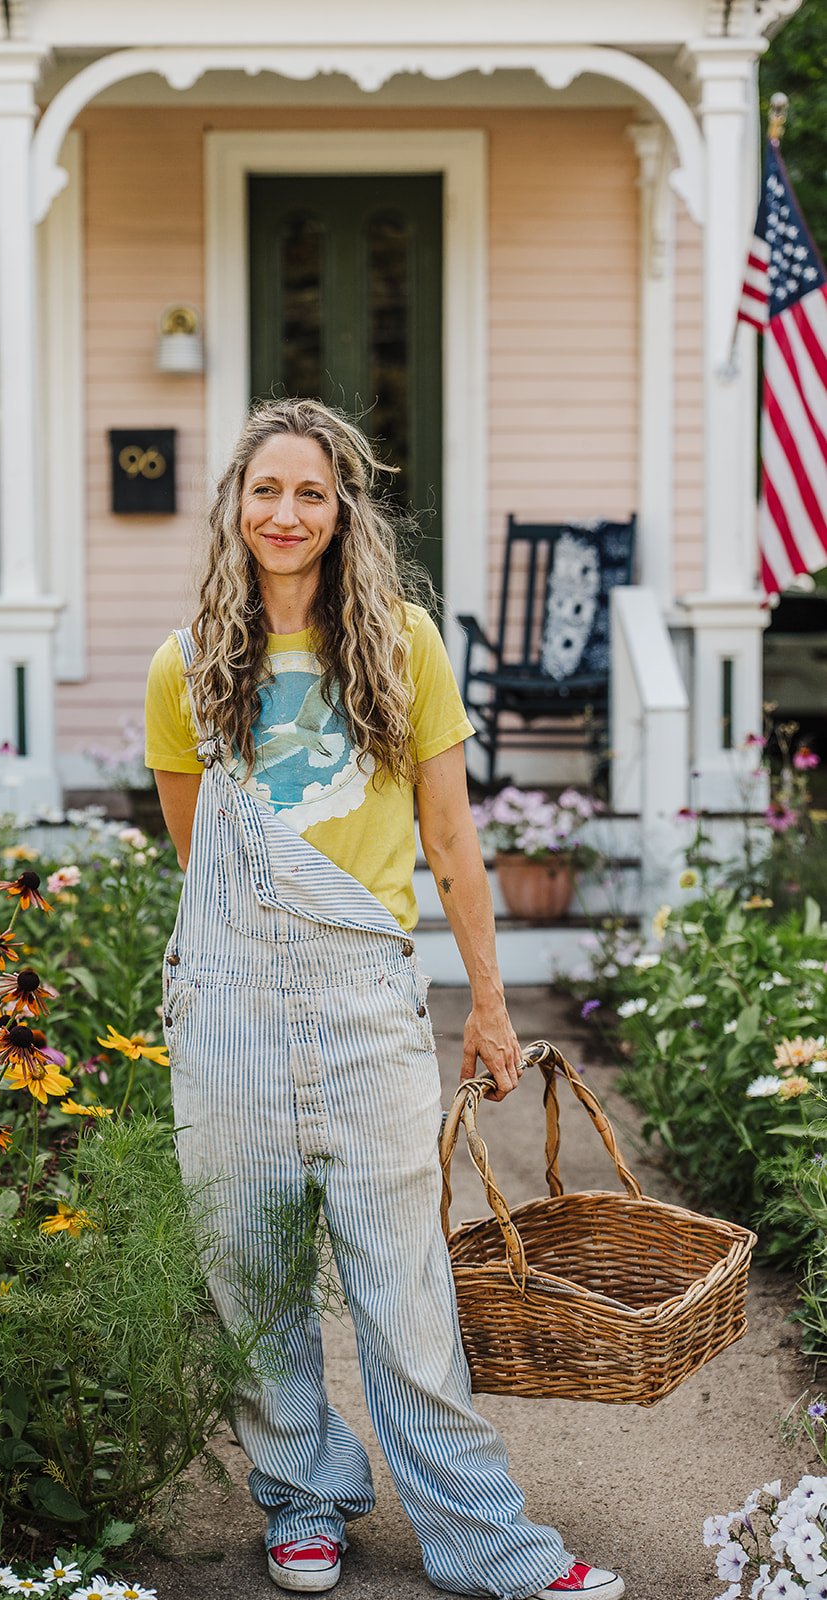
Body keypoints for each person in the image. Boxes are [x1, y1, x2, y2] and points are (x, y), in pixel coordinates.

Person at [144, 398, 623, 1600]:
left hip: (366, 997)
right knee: (251, 1280)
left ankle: (482, 1541)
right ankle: (301, 1501)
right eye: (265, 491)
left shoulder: (402, 645)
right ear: (234, 506)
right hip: (232, 1005)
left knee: (405, 1293)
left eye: (309, 492)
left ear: (342, 510)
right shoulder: (182, 667)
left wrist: (490, 1008)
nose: (285, 514)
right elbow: (203, 863)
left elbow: (453, 843)